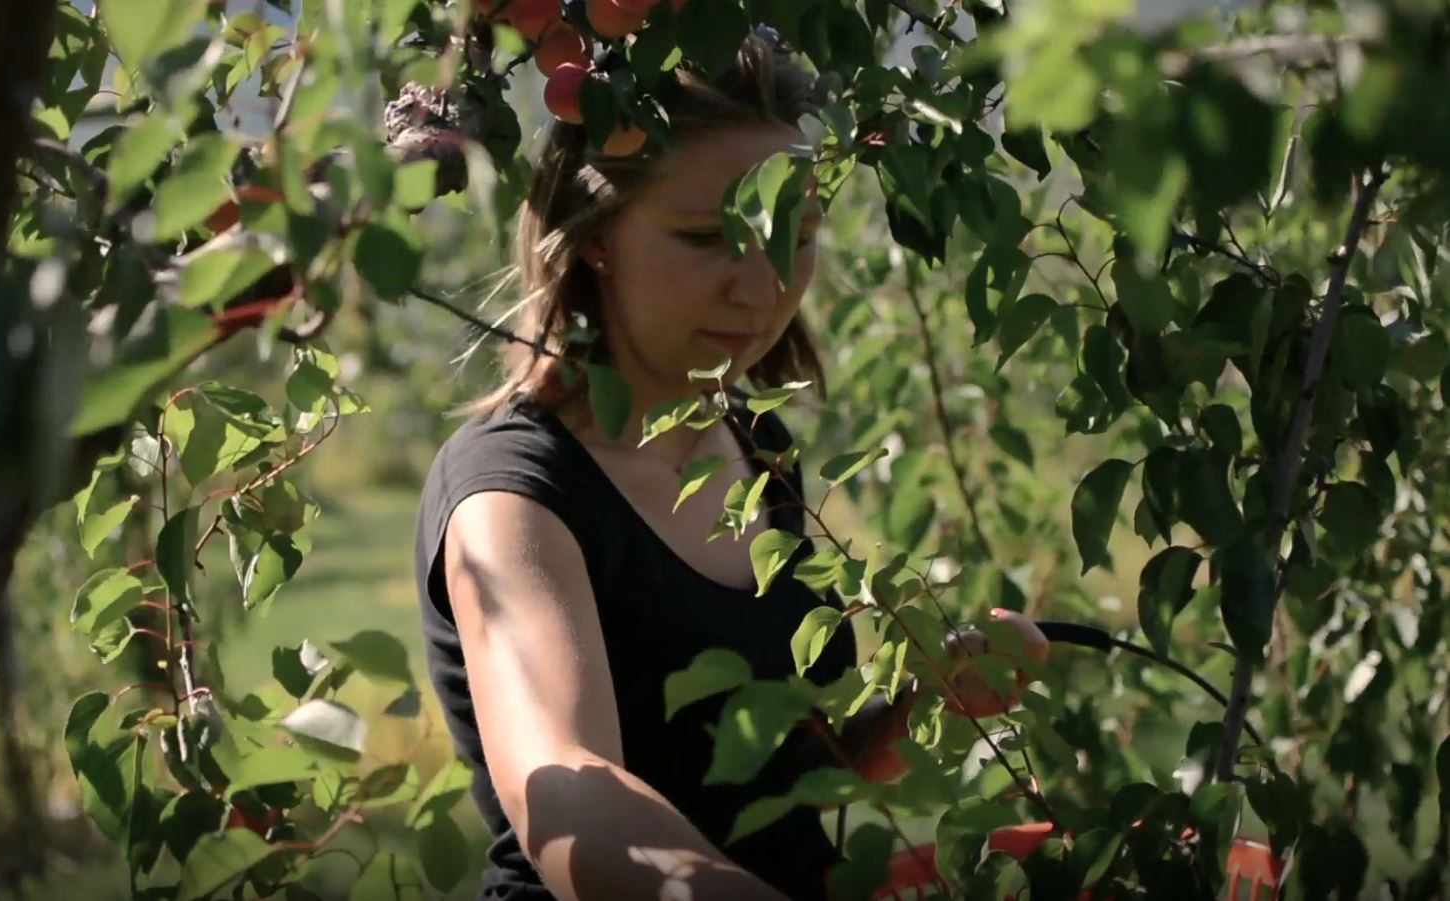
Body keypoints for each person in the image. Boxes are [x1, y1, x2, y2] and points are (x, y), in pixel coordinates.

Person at [411, 30, 1047, 901]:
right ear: (595, 234)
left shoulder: (756, 444)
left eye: (798, 235)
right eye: (708, 236)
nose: (761, 288)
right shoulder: (514, 494)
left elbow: (773, 778)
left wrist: (921, 705)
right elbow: (567, 790)